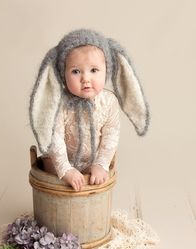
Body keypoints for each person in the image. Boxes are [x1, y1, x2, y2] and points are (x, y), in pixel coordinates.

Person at [29, 29, 150, 191]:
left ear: (107, 70)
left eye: (94, 70)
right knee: (55, 173)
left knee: (94, 179)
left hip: (91, 160)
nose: (85, 78)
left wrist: (101, 164)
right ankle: (61, 181)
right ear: (62, 74)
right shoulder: (59, 103)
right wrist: (65, 169)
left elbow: (111, 135)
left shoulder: (108, 102)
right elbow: (54, 138)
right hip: (58, 160)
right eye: (76, 71)